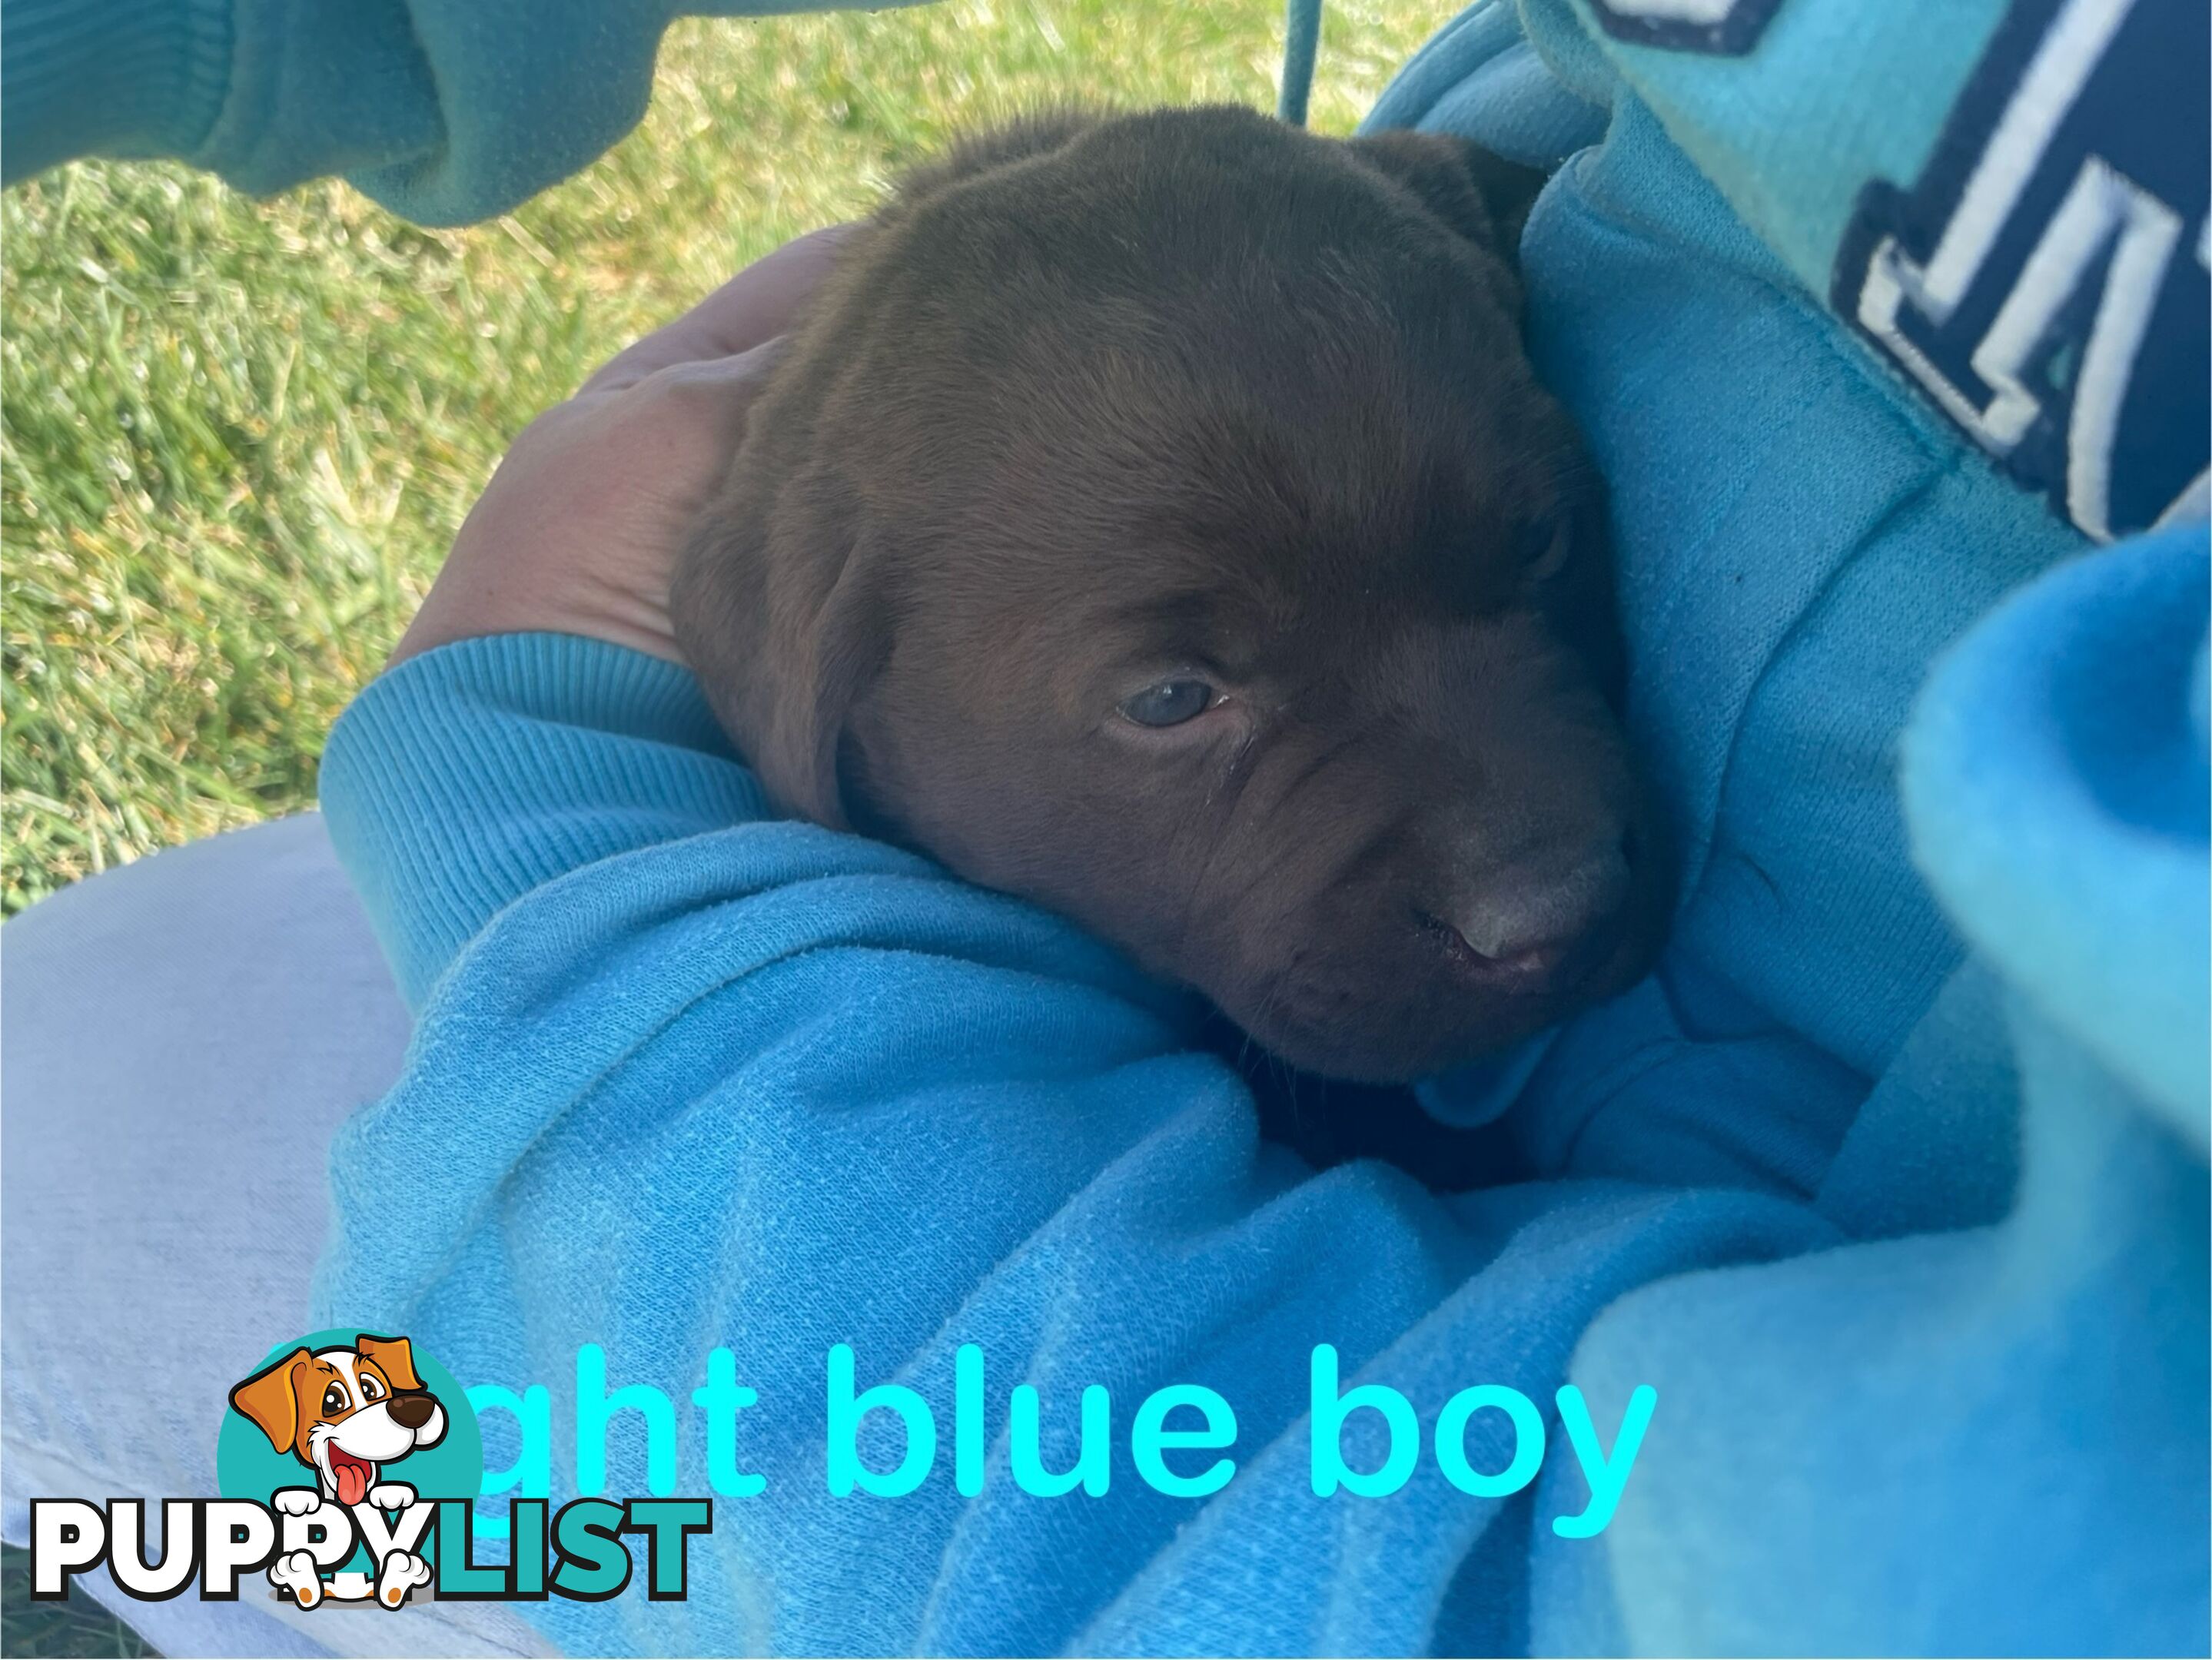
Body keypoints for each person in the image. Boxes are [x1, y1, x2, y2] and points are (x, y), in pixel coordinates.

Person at [5, 0, 2206, 1654]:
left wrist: (554, 809)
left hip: (1417, 1452)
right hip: (1031, 1132)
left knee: (351, 1462)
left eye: (1523, 554)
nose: (1537, 859)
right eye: (1183, 692)